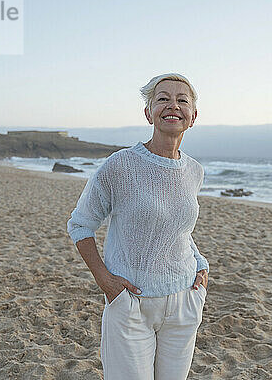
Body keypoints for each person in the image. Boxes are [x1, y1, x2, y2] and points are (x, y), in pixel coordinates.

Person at [66, 73, 209, 380]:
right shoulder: (120, 166)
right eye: (163, 99)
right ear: (149, 112)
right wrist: (105, 281)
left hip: (184, 301)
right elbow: (80, 225)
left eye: (182, 100)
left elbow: (179, 229)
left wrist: (201, 265)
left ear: (193, 116)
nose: (173, 105)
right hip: (131, 305)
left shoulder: (195, 171)